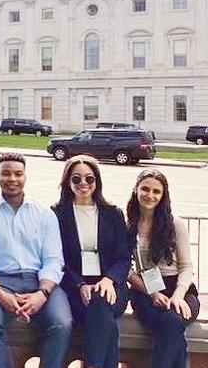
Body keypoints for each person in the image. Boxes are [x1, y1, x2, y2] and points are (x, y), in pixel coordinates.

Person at [0, 152, 72, 368]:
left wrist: (42, 294)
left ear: (25, 177)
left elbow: (54, 261)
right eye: (6, 174)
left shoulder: (45, 214)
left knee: (62, 323)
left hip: (39, 282)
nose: (12, 179)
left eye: (18, 174)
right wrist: (0, 294)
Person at [52, 155, 130, 368]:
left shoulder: (113, 213)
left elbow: (124, 257)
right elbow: (57, 259)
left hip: (111, 286)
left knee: (101, 301)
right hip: (75, 287)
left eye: (89, 178)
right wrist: (79, 284)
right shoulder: (57, 214)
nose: (83, 183)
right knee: (108, 325)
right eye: (76, 179)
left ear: (97, 181)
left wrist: (109, 280)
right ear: (68, 182)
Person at [126, 169, 199, 368]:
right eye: (145, 189)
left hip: (179, 288)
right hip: (145, 290)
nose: (150, 195)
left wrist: (178, 296)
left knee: (172, 322)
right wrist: (152, 293)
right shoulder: (128, 226)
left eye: (156, 191)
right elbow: (127, 270)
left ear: (163, 195)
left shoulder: (176, 225)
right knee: (170, 327)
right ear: (136, 190)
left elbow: (186, 266)